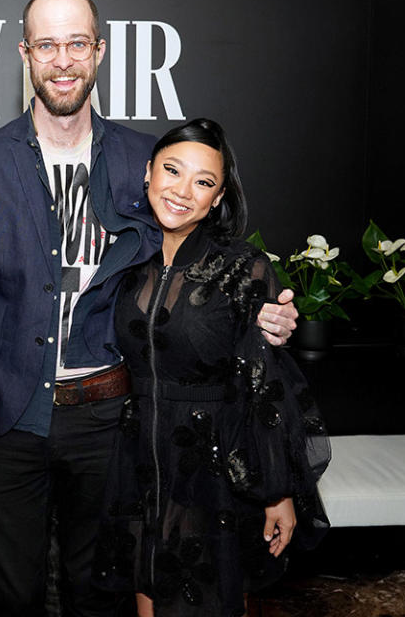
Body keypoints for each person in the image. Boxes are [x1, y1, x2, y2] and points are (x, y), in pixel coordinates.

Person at [0, 0, 300, 616]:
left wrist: (258, 311)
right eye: (47, 45)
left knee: (97, 593)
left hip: (112, 419)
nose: (63, 59)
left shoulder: (143, 160)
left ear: (99, 52)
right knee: (12, 594)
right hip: (15, 417)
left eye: (77, 43)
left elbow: (202, 256)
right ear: (25, 54)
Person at [94, 118, 330, 617]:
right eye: (172, 171)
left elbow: (264, 385)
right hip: (138, 458)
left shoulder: (245, 267)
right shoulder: (127, 255)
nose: (182, 191)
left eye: (202, 182)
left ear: (218, 198)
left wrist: (277, 492)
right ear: (147, 174)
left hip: (214, 466)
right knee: (147, 594)